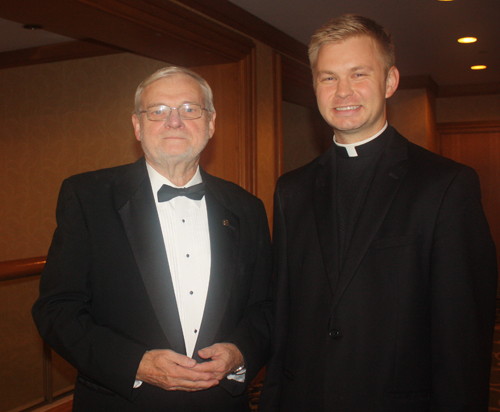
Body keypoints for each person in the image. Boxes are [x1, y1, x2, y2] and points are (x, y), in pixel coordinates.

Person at [259, 14, 497, 412]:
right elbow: (284, 320)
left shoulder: (446, 185)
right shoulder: (291, 189)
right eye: (328, 77)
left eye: (359, 74)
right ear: (314, 86)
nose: (342, 92)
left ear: (390, 82)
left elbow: (463, 342)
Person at [32, 66, 272, 412]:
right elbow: (56, 310)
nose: (174, 122)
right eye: (157, 111)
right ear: (137, 126)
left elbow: (265, 308)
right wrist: (137, 364)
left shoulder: (247, 207)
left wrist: (239, 353)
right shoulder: (87, 197)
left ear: (211, 123)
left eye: (190, 109)